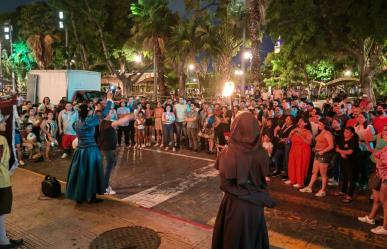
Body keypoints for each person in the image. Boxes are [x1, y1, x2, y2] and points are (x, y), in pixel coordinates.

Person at [212, 111, 274, 249]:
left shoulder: (227, 153)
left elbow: (225, 184)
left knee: (233, 240)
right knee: (252, 239)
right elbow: (263, 179)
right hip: (255, 205)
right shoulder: (262, 153)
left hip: (235, 206)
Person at [66, 92, 114, 204]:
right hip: (91, 151)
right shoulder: (89, 122)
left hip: (80, 151)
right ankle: (92, 197)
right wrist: (109, 100)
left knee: (81, 174)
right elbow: (104, 114)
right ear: (87, 112)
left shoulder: (76, 123)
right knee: (92, 173)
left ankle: (79, 197)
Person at [0, 111, 24, 248]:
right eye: (2, 122)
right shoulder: (1, 140)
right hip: (1, 181)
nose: (4, 124)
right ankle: (3, 241)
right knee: (1, 212)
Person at [99, 110, 134, 195]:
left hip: (108, 149)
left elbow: (118, 123)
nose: (112, 114)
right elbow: (118, 122)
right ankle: (105, 188)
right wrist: (129, 116)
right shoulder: (106, 124)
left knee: (110, 165)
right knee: (108, 169)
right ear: (106, 115)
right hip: (108, 149)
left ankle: (104, 185)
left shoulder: (104, 122)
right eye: (110, 113)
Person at [300, 118, 335, 196]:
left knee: (323, 174)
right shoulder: (321, 132)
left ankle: (323, 190)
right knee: (314, 172)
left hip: (324, 155)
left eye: (320, 124)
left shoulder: (327, 133)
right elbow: (320, 142)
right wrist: (315, 148)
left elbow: (331, 146)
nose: (319, 125)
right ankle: (309, 187)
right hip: (318, 153)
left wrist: (322, 151)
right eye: (319, 124)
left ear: (325, 125)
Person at [286, 117, 313, 189]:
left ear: (306, 123)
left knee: (300, 165)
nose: (299, 123)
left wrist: (300, 135)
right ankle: (292, 179)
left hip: (303, 150)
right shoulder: (294, 129)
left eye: (302, 121)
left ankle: (300, 182)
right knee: (292, 164)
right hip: (294, 149)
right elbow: (288, 140)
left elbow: (309, 143)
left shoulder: (308, 131)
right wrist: (291, 134)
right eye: (299, 121)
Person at [335, 127, 359, 202]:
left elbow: (350, 152)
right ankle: (343, 191)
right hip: (343, 160)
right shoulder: (342, 138)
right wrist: (342, 152)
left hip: (352, 161)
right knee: (344, 176)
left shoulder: (353, 141)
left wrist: (340, 151)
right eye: (344, 132)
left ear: (352, 134)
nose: (345, 133)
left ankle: (349, 195)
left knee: (351, 178)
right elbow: (337, 146)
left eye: (347, 132)